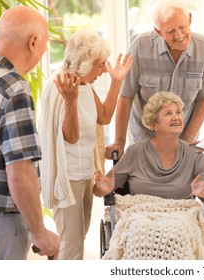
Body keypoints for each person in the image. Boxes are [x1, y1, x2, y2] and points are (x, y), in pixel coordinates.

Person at [38, 30, 133, 260]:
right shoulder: (59, 87)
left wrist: (117, 81)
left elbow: (104, 116)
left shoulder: (84, 86)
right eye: (99, 65)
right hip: (67, 178)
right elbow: (70, 137)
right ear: (83, 63)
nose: (102, 71)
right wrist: (71, 102)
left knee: (77, 240)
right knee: (71, 249)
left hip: (85, 175)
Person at [105, 0, 204, 160]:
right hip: (143, 140)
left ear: (190, 19)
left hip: (183, 140)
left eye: (182, 27)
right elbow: (126, 97)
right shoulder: (140, 46)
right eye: (171, 31)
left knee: (182, 185)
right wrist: (119, 141)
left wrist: (188, 139)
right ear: (158, 32)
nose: (179, 35)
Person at [0, 6, 60, 260]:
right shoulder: (13, 86)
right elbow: (19, 171)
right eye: (44, 45)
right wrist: (40, 232)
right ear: (33, 42)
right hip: (1, 226)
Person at [94, 91, 204, 201]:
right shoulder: (136, 151)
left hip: (181, 217)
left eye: (178, 112)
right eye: (168, 113)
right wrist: (102, 189)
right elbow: (101, 189)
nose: (176, 117)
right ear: (153, 124)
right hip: (140, 215)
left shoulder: (193, 152)